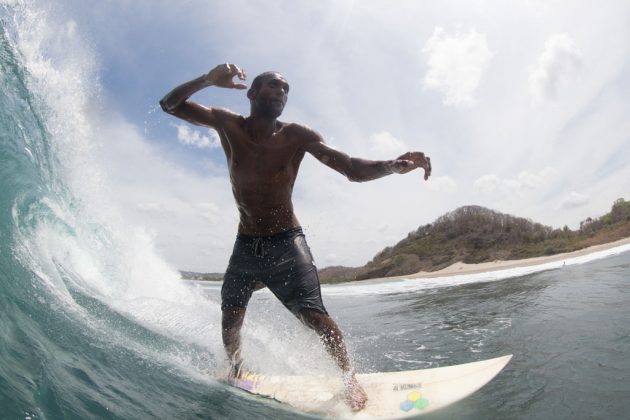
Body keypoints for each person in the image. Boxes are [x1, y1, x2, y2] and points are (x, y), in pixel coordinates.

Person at [160, 63, 432, 411]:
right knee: (230, 319)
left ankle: (349, 379)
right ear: (252, 93)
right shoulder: (226, 123)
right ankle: (235, 368)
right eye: (273, 86)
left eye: (286, 89)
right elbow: (170, 104)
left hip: (287, 243)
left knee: (316, 318)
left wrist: (392, 166)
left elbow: (350, 168)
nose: (281, 92)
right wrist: (206, 81)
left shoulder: (296, 136)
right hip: (246, 246)